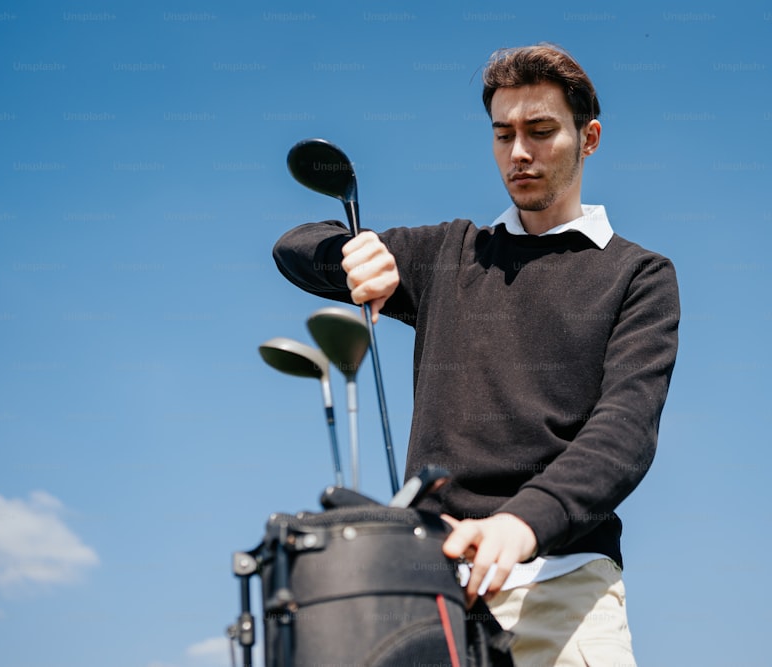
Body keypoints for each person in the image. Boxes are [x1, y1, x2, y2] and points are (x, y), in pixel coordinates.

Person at [273, 43, 679, 667]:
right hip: (430, 588)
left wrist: (522, 524)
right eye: (503, 134)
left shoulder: (639, 275)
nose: (519, 153)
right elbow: (293, 245)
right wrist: (351, 255)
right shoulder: (451, 253)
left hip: (564, 588)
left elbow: (624, 431)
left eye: (541, 131)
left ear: (589, 137)